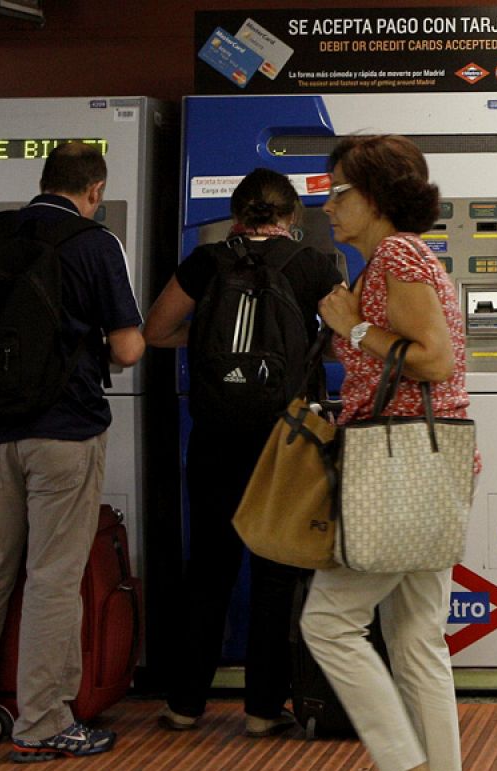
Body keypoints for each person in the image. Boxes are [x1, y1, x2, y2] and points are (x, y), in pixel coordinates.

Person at [0, 142, 145, 761]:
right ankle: (43, 722)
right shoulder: (94, 243)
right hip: (63, 432)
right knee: (53, 578)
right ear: (96, 190)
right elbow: (129, 348)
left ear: (43, 181)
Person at [299, 135, 472, 771]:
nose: (329, 203)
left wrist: (351, 327)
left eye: (339, 191)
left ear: (375, 197)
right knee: (415, 636)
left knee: (329, 622)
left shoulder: (397, 258)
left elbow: (430, 357)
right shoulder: (395, 260)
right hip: (430, 464)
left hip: (396, 464)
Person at [142, 169, 343, 737]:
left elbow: (156, 331)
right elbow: (346, 339)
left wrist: (204, 337)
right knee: (276, 570)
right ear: (291, 217)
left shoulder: (205, 261)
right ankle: (261, 710)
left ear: (236, 215)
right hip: (284, 440)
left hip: (212, 437)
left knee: (208, 569)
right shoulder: (311, 265)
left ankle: (184, 705)